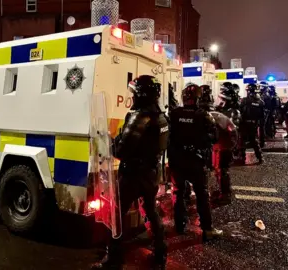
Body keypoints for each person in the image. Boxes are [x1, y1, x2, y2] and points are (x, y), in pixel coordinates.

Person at [93, 75, 169, 269]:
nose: (132, 97)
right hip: (152, 173)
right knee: (152, 212)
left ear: (140, 95)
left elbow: (121, 150)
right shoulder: (161, 116)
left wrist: (108, 140)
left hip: (132, 175)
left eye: (134, 93)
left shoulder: (139, 117)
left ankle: (113, 258)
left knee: (115, 216)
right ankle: (160, 253)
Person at [168, 83, 223, 240]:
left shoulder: (174, 113)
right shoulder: (204, 115)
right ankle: (207, 229)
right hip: (196, 161)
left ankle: (179, 226)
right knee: (201, 195)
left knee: (178, 194)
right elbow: (215, 137)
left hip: (177, 161)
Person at [213, 84, 241, 204]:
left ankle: (225, 195)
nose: (221, 102)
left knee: (223, 170)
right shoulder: (221, 109)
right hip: (220, 144)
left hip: (225, 145)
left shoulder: (234, 112)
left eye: (223, 99)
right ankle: (222, 190)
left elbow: (233, 131)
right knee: (218, 170)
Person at [238, 83, 264, 164]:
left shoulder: (245, 100)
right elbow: (262, 115)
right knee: (254, 141)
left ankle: (242, 158)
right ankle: (260, 158)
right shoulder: (260, 102)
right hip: (254, 124)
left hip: (245, 124)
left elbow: (240, 111)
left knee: (242, 141)